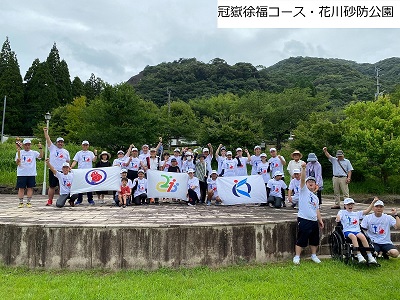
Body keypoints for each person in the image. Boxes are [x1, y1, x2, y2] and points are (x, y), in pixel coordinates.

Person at [293, 162, 324, 265]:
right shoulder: (303, 191)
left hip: (314, 220)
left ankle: (314, 255)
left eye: (313, 181)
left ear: (316, 185)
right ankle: (297, 256)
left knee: (314, 240)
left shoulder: (315, 197)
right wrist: (304, 168)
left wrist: (320, 220)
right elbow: (302, 179)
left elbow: (317, 209)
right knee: (301, 238)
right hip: (304, 219)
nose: (311, 183)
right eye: (309, 181)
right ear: (306, 184)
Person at [336, 197, 378, 263]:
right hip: (347, 231)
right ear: (345, 206)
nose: (350, 206)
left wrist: (373, 202)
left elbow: (367, 211)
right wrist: (338, 218)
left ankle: (370, 256)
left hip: (357, 231)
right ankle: (359, 255)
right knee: (353, 236)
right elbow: (339, 215)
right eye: (348, 205)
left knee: (363, 237)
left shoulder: (356, 214)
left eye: (351, 204)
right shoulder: (342, 212)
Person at [43, 127, 70, 206]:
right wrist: (45, 132)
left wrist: (69, 169)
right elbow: (48, 139)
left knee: (62, 187)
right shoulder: (52, 148)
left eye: (61, 142)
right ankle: (50, 200)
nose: (60, 143)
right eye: (59, 142)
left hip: (63, 171)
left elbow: (68, 161)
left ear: (63, 143)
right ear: (56, 143)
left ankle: (61, 200)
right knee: (52, 186)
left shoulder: (66, 152)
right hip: (53, 170)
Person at [15, 139, 43, 208]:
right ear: (23, 145)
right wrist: (18, 161)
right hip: (22, 173)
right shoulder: (19, 152)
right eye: (26, 145)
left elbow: (41, 156)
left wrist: (41, 148)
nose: (27, 146)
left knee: (30, 188)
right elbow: (17, 163)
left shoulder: (33, 152)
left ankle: (28, 201)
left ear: (30, 145)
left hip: (31, 173)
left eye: (28, 145)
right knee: (21, 188)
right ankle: (21, 202)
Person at [70, 140, 97, 205]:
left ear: (88, 146)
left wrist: (96, 153)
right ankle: (79, 200)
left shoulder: (90, 153)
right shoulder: (79, 153)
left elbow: (94, 160)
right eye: (84, 145)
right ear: (82, 145)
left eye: (86, 145)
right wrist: (71, 167)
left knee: (89, 186)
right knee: (80, 186)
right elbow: (75, 161)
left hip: (88, 172)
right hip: (80, 172)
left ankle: (90, 199)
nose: (85, 146)